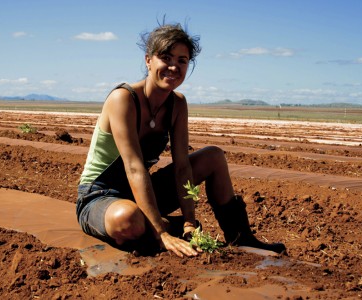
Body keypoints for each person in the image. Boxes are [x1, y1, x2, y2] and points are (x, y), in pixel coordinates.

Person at [76, 21, 286, 258]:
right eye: (166, 58)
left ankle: (241, 237)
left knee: (213, 156)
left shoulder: (177, 104)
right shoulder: (123, 99)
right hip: (101, 195)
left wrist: (189, 221)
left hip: (144, 192)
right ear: (148, 60)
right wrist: (161, 234)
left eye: (182, 61)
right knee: (127, 218)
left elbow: (182, 167)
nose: (173, 67)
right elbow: (134, 168)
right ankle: (161, 228)